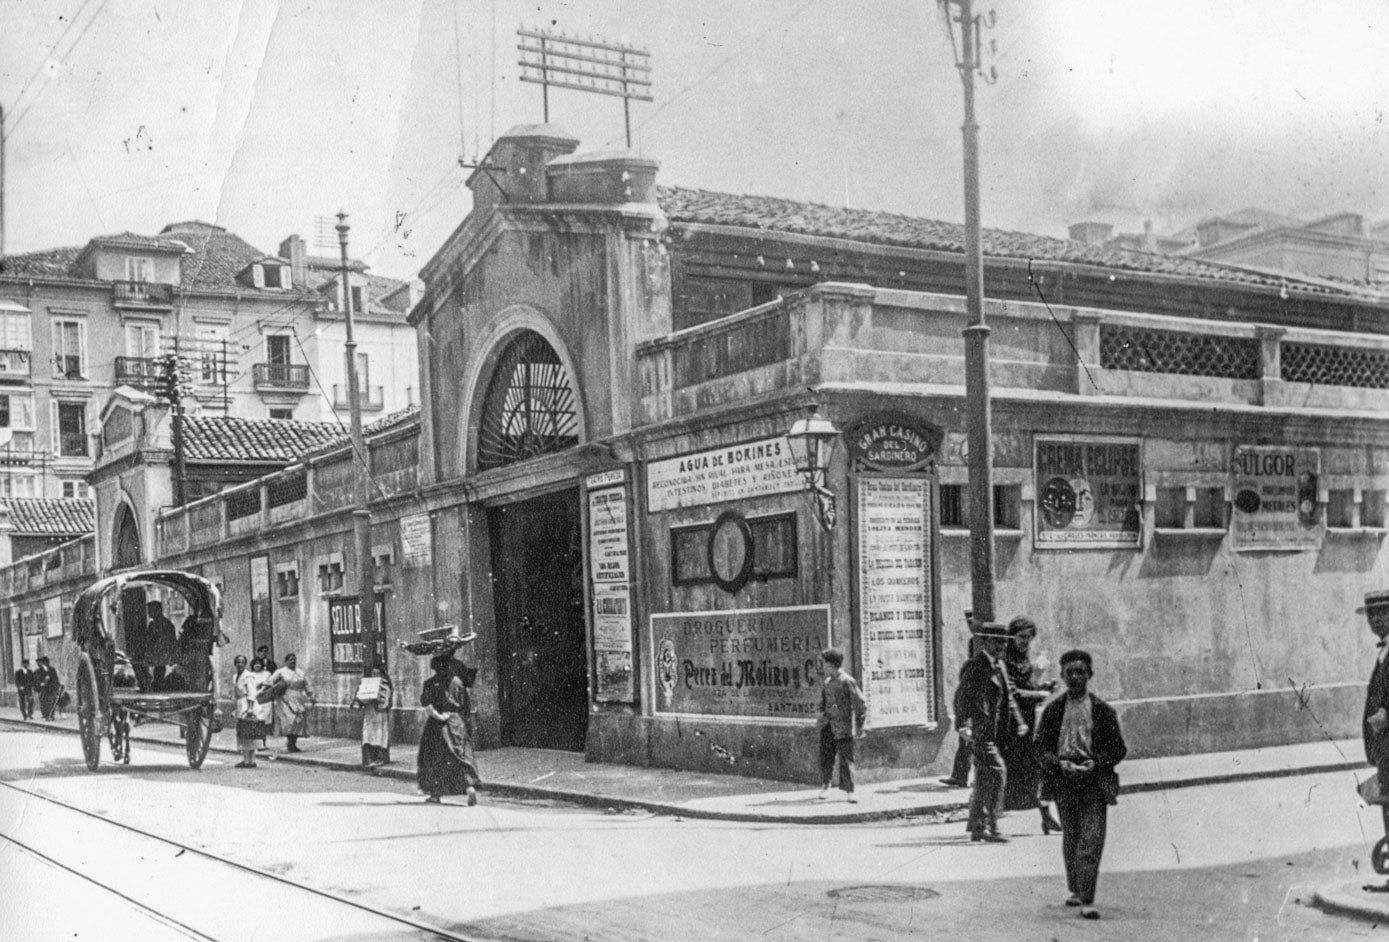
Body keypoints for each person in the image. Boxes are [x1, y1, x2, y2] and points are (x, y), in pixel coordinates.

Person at [1035, 649, 1128, 920]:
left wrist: (1096, 763)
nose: (1075, 677)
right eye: (1070, 673)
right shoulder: (1053, 711)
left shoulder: (1103, 711)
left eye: (1081, 672)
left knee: (1091, 838)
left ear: (1090, 675)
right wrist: (1058, 763)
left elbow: (1118, 749)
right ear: (1062, 676)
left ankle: (1087, 898)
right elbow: (1040, 748)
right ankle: (1076, 888)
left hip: (1093, 782)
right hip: (1064, 781)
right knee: (1072, 837)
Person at [957, 621, 1027, 843]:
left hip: (997, 731)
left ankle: (978, 827)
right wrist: (964, 725)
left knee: (984, 778)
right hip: (980, 730)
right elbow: (962, 697)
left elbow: (1009, 699)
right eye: (996, 641)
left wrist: (1020, 722)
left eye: (1004, 642)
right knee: (997, 772)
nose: (1000, 646)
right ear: (985, 642)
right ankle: (992, 827)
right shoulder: (975, 666)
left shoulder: (1000, 666)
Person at [1000, 617, 1063, 834]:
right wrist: (1038, 694)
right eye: (1021, 637)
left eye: (1029, 637)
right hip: (1009, 722)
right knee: (1012, 767)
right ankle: (991, 819)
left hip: (1026, 720)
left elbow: (1026, 685)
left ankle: (1044, 816)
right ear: (1011, 637)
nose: (1025, 642)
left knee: (1032, 767)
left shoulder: (1023, 658)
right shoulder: (1004, 659)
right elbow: (1011, 692)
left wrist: (1044, 686)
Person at [417, 652, 480, 805]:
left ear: (434, 667)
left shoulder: (430, 683)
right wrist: (463, 725)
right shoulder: (457, 682)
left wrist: (438, 716)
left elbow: (427, 705)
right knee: (459, 755)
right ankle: (469, 787)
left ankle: (435, 794)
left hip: (437, 724)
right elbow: (465, 706)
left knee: (433, 758)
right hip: (456, 723)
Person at [815, 647, 868, 802]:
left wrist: (859, 725)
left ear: (831, 663)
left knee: (846, 759)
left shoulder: (847, 681)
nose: (823, 666)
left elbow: (860, 703)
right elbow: (827, 703)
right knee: (826, 757)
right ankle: (826, 786)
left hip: (843, 726)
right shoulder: (827, 682)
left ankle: (850, 791)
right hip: (828, 726)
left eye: (824, 663)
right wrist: (822, 714)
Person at [1361, 590, 1389, 855]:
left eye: (1382, 613)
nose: (1376, 620)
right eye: (1371, 615)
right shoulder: (1384, 653)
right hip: (1384, 749)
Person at [941, 634, 981, 788]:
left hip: (979, 714)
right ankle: (960, 776)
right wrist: (963, 721)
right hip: (971, 713)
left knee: (972, 746)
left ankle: (967, 777)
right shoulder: (971, 667)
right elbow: (963, 695)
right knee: (966, 745)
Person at [268, 653, 314, 753]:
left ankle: (293, 743)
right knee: (290, 721)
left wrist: (311, 696)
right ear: (286, 661)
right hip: (285, 699)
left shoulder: (300, 672)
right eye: (290, 659)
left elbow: (307, 684)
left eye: (294, 659)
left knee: (298, 721)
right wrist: (269, 690)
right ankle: (290, 742)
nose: (292, 661)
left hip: (298, 698)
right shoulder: (281, 672)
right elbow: (270, 682)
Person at [234, 657, 273, 768]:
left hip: (247, 704)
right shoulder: (236, 676)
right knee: (243, 733)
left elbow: (252, 692)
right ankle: (247, 760)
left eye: (242, 662)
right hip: (240, 703)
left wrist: (250, 709)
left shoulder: (248, 676)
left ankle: (250, 760)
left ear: (245, 664)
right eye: (238, 662)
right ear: (235, 664)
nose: (240, 664)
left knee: (248, 731)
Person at [352, 665, 394, 768]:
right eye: (373, 674)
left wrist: (381, 700)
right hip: (369, 714)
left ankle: (380, 758)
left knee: (379, 736)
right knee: (368, 736)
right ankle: (369, 758)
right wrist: (359, 701)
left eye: (377, 674)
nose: (375, 676)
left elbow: (388, 700)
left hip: (380, 715)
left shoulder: (385, 685)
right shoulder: (366, 684)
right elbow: (359, 696)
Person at [143, 601, 178, 691]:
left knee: (159, 668)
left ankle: (158, 683)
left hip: (160, 651)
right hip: (162, 652)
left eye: (151, 611)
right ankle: (158, 683)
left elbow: (151, 637)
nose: (149, 613)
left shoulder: (157, 624)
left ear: (158, 610)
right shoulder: (166, 623)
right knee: (159, 668)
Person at [36, 656, 61, 721]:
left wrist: (57, 685)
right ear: (43, 662)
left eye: (48, 661)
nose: (47, 663)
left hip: (51, 688)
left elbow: (56, 678)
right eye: (45, 662)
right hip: (44, 689)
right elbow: (37, 680)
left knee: (52, 702)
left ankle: (51, 715)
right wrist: (41, 684)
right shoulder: (39, 671)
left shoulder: (52, 669)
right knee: (44, 702)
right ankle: (46, 715)